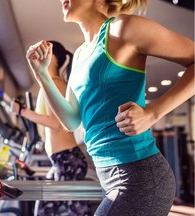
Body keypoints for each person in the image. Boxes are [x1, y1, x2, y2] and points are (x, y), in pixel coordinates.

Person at [25, 0, 195, 215]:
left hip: (138, 175)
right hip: (108, 176)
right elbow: (70, 120)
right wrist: (42, 75)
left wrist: (153, 113)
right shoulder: (79, 54)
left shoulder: (123, 28)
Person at [11, 41, 91, 216]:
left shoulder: (56, 84)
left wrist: (23, 111)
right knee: (44, 209)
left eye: (44, 50)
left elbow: (55, 123)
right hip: (61, 161)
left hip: (67, 159)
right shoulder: (50, 84)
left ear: (52, 57)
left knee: (77, 210)